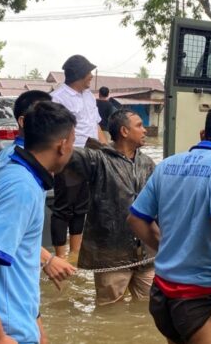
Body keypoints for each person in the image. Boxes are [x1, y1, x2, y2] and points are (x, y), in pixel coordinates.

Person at [0, 101, 77, 344]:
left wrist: (36, 327)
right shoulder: (22, 188)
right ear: (62, 145)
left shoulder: (7, 166)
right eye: (73, 142)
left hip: (3, 322)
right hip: (5, 331)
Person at [127, 106, 211, 344]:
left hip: (162, 294)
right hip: (200, 298)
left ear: (203, 134)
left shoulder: (167, 165)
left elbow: (136, 219)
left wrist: (165, 247)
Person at [63, 109, 156, 306]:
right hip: (111, 256)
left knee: (151, 309)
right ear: (124, 131)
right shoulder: (97, 160)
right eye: (139, 125)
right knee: (109, 310)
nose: (145, 130)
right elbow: (63, 155)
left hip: (147, 255)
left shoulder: (147, 163)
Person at [49, 55, 108, 258]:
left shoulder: (89, 96)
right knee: (64, 207)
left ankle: (75, 254)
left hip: (91, 156)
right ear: (79, 75)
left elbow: (95, 125)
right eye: (89, 73)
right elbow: (56, 132)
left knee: (82, 206)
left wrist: (107, 149)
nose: (91, 76)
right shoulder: (58, 98)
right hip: (69, 156)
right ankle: (59, 257)